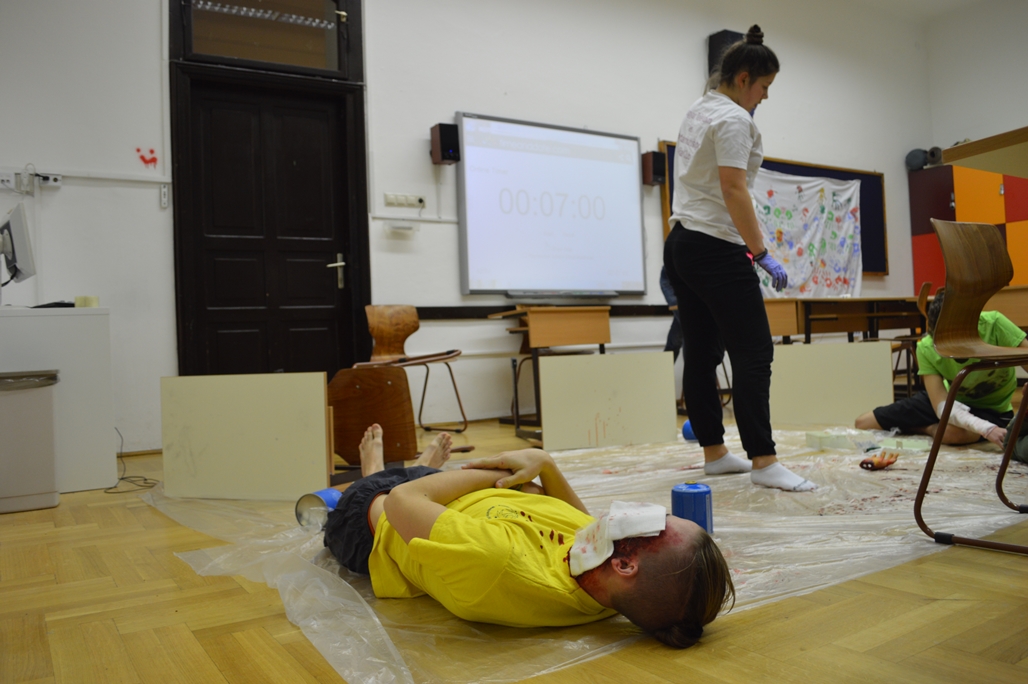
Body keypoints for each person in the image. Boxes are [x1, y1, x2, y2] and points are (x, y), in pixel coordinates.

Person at [323, 425, 735, 649]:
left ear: (625, 564)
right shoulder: (607, 584)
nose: (649, 512)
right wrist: (545, 465)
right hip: (464, 500)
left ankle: (374, 469)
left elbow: (403, 501)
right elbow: (580, 521)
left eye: (657, 524)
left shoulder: (497, 562)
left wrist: (501, 473)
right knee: (533, 491)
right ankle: (427, 466)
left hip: (376, 518)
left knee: (376, 489)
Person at [663, 25, 815, 491]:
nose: (766, 96)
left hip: (682, 242)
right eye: (764, 87)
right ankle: (764, 461)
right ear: (744, 78)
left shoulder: (700, 107)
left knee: (702, 351)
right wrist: (761, 252)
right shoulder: (733, 119)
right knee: (754, 352)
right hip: (714, 245)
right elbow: (733, 189)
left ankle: (714, 453)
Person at [855, 287, 1028, 444]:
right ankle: (929, 428)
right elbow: (941, 405)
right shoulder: (927, 346)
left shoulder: (994, 324)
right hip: (949, 400)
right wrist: (985, 429)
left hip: (993, 410)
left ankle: (928, 428)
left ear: (970, 326)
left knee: (950, 434)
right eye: (944, 342)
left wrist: (987, 427)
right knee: (863, 422)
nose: (952, 350)